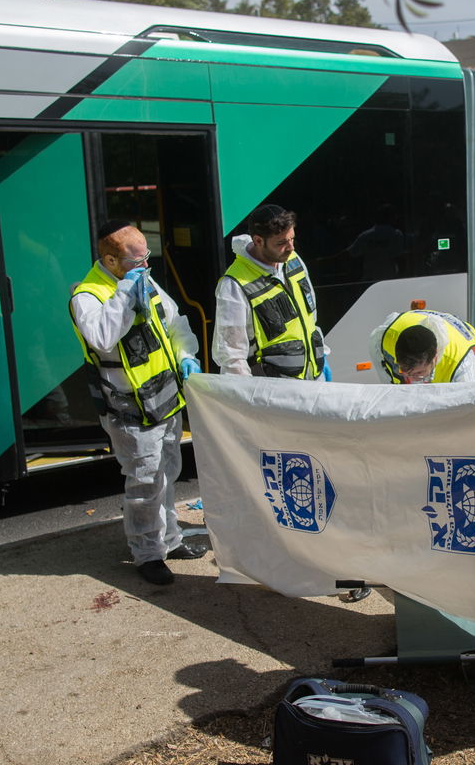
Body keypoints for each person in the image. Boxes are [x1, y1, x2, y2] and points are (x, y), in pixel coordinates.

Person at [70, 221, 204, 585]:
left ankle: (170, 539)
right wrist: (125, 292)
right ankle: (147, 554)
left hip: (165, 400)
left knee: (167, 474)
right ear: (110, 261)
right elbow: (102, 337)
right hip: (130, 410)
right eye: (137, 261)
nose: (145, 266)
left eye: (147, 257)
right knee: (145, 483)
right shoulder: (88, 296)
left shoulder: (144, 279)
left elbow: (175, 324)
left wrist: (187, 355)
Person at [213, 204, 330, 380]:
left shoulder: (293, 261)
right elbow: (232, 356)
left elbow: (309, 319)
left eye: (292, 239)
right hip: (274, 390)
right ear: (258, 241)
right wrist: (249, 392)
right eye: (281, 243)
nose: (291, 248)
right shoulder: (234, 286)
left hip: (313, 378)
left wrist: (322, 355)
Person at [370, 309, 475, 383]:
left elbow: (466, 408)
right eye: (404, 371)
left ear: (435, 357)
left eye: (419, 373)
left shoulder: (462, 365)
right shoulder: (383, 337)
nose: (411, 379)